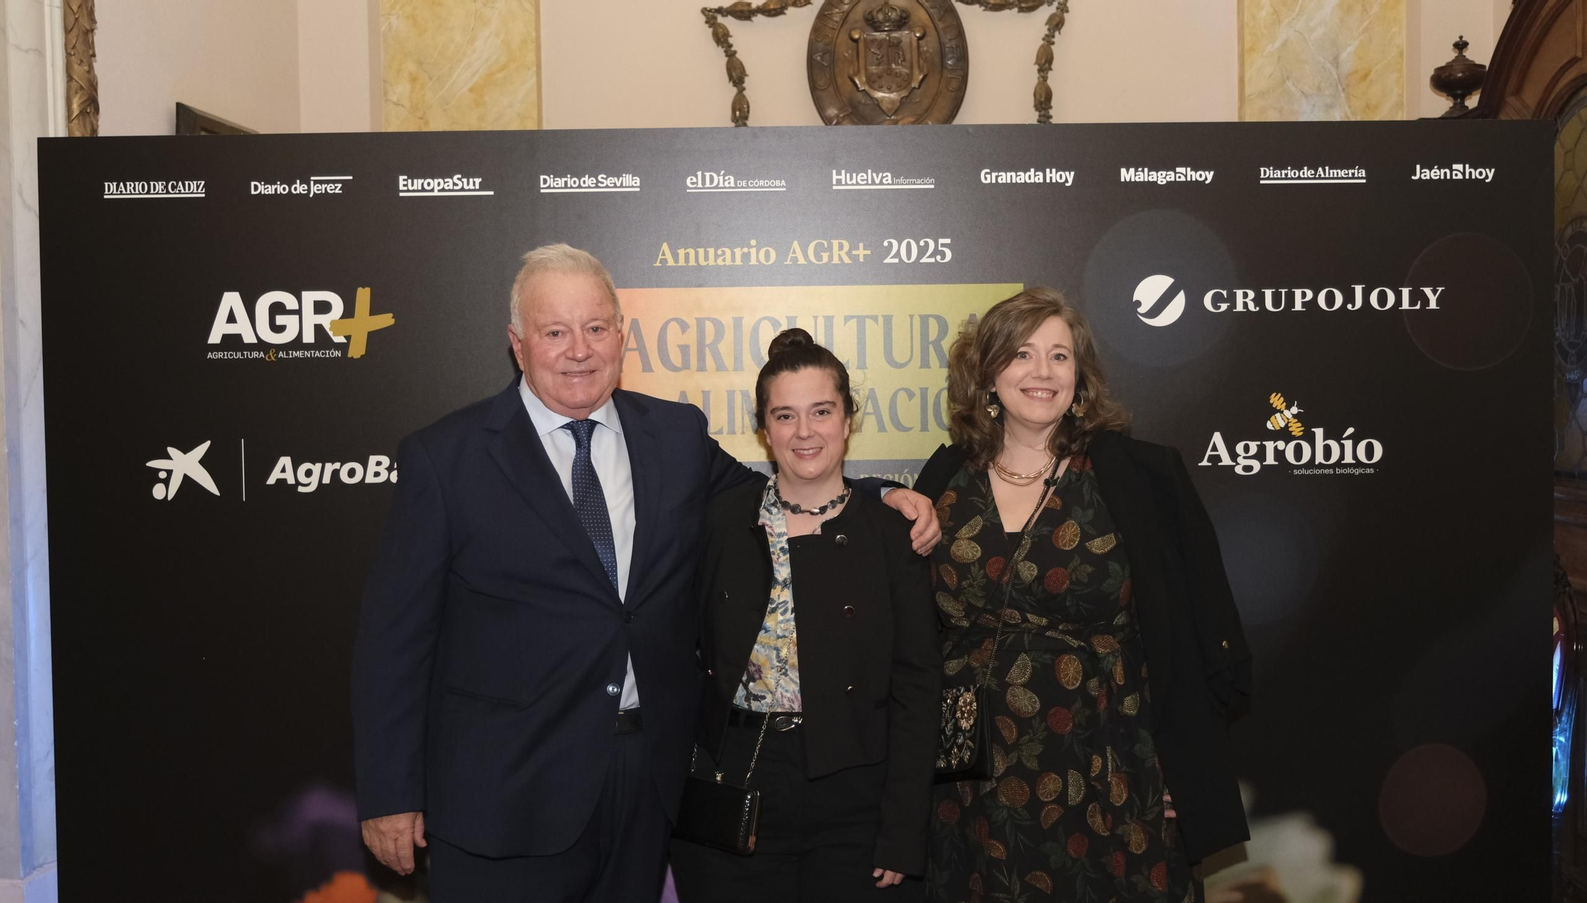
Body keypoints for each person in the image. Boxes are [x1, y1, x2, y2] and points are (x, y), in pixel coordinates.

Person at [350, 244, 940, 903]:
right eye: (555, 331)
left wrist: (885, 493)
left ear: (622, 336)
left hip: (645, 787)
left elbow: (783, 488)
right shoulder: (445, 459)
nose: (579, 350)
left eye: (596, 328)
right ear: (517, 344)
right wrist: (389, 792)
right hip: (504, 797)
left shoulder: (675, 434)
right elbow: (392, 642)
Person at [917, 288, 1251, 903]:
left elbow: (1206, 630)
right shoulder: (943, 478)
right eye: (1021, 354)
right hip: (971, 781)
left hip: (1111, 762)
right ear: (987, 375)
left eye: (1059, 356)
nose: (1042, 372)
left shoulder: (1140, 476)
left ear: (1080, 376)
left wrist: (1189, 763)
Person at [670, 328, 942, 902]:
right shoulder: (719, 524)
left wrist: (902, 829)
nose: (805, 432)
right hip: (735, 781)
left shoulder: (894, 533)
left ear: (847, 420)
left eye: (822, 411)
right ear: (764, 430)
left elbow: (917, 687)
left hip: (856, 795)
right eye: (785, 415)